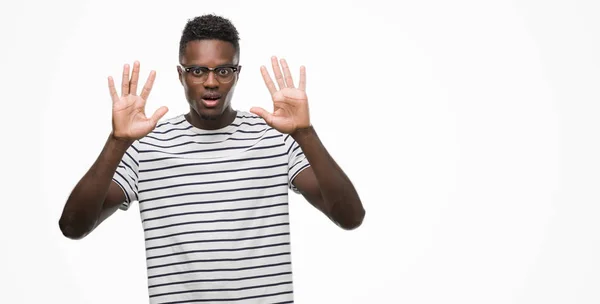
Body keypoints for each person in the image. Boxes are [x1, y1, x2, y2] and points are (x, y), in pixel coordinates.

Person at [59, 14, 365, 303]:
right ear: (181, 74)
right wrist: (118, 142)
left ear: (236, 74)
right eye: (197, 70)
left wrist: (305, 133)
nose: (211, 82)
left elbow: (350, 218)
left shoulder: (275, 137)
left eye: (223, 70)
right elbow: (73, 227)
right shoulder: (146, 145)